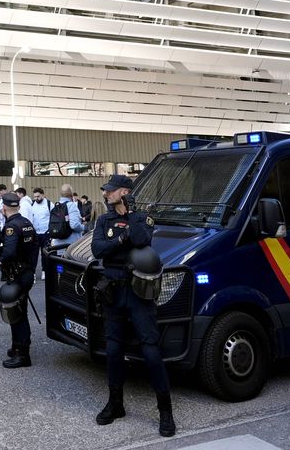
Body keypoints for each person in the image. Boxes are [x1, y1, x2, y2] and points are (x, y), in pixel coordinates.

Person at [91, 174, 174, 437]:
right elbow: (98, 249)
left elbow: (141, 240)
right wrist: (120, 240)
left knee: (150, 350)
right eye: (107, 191)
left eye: (112, 191)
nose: (107, 195)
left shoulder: (143, 217)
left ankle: (165, 411)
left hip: (138, 292)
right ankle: (116, 404)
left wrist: (132, 216)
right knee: (113, 349)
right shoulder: (104, 219)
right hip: (113, 290)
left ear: (125, 192)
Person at [0, 191, 37, 368]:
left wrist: (0, 262)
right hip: (27, 272)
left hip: (18, 274)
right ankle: (17, 347)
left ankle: (22, 355)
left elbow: (9, 252)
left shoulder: (11, 226)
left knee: (17, 314)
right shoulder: (27, 223)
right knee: (20, 311)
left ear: (3, 208)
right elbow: (35, 248)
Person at [24, 187, 51, 278]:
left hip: (45, 233)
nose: (36, 198)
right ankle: (33, 273)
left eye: (38, 196)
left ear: (43, 195)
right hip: (35, 233)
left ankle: (44, 271)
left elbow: (53, 218)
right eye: (35, 196)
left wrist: (50, 231)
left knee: (45, 254)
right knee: (33, 254)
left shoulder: (49, 204)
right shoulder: (31, 204)